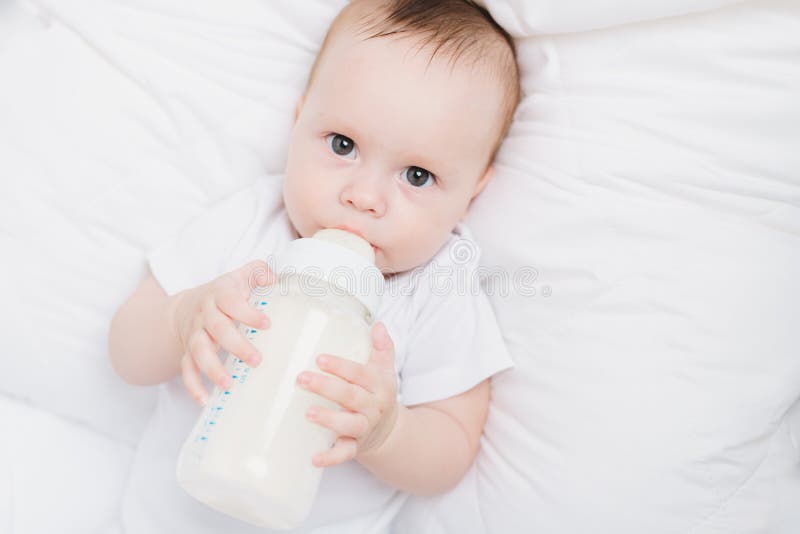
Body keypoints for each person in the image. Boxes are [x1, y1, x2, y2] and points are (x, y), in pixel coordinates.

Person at [108, 0, 520, 531]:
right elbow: (125, 356)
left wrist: (388, 432)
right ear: (298, 122)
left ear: (472, 192)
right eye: (343, 145)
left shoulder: (441, 288)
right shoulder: (251, 224)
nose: (364, 197)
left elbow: (452, 451)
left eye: (417, 176)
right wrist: (182, 319)